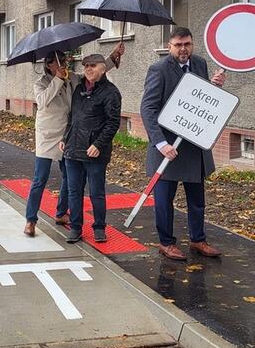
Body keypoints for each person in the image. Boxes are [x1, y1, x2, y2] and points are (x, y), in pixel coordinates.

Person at [141, 27, 226, 262]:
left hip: (193, 146)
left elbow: (202, 100)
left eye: (187, 44)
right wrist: (160, 143)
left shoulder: (199, 64)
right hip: (167, 148)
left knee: (197, 199)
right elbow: (147, 109)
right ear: (169, 46)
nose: (183, 49)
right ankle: (166, 243)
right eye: (178, 45)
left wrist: (215, 87)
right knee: (164, 201)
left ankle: (198, 239)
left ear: (192, 44)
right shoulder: (158, 69)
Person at [23, 44, 123, 236]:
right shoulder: (41, 82)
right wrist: (58, 80)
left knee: (70, 179)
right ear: (50, 65)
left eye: (66, 60)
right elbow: (42, 101)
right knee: (39, 179)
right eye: (59, 61)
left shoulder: (73, 79)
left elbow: (95, 72)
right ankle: (30, 220)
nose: (64, 64)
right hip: (47, 135)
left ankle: (61, 212)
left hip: (69, 135)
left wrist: (112, 57)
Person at [60, 53, 122, 244]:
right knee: (74, 192)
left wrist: (98, 145)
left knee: (96, 192)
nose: (88, 68)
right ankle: (76, 228)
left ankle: (99, 228)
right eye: (86, 65)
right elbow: (73, 117)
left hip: (95, 152)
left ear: (103, 68)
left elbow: (113, 123)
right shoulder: (79, 89)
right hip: (73, 150)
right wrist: (65, 137)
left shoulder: (111, 92)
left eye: (93, 65)